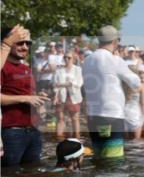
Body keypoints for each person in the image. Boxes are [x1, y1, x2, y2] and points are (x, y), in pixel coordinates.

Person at [81, 26, 139, 161]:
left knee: (99, 157)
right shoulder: (115, 60)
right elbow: (135, 82)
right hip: (112, 116)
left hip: (93, 116)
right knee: (113, 160)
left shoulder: (87, 60)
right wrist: (121, 62)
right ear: (115, 41)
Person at [1, 25, 45, 167]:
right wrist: (25, 98)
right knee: (9, 176)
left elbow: (29, 96)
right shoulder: (3, 68)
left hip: (33, 131)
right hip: (11, 132)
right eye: (20, 42)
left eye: (28, 43)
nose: (25, 47)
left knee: (32, 175)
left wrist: (38, 97)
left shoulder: (26, 68)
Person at [52, 51, 84, 140]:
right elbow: (55, 85)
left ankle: (77, 138)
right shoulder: (59, 71)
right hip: (61, 96)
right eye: (65, 57)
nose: (66, 59)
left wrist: (64, 84)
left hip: (73, 96)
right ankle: (59, 139)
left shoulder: (78, 69)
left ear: (73, 59)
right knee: (60, 118)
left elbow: (79, 83)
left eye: (69, 57)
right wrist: (56, 95)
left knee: (75, 118)